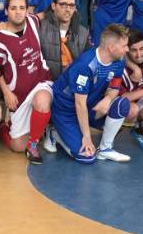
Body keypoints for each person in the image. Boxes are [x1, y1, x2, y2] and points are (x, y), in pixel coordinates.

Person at [50, 24, 132, 164]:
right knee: (87, 157)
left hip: (90, 105)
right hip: (66, 111)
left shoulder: (119, 61)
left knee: (121, 104)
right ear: (111, 47)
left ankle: (105, 149)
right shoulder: (85, 65)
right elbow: (79, 104)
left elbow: (115, 87)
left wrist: (108, 99)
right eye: (124, 46)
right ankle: (55, 133)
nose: (127, 49)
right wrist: (87, 137)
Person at [0, 0, 53, 164]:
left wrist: (64, 6)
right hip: (19, 95)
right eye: (13, 8)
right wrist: (6, 92)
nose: (18, 12)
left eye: (22, 8)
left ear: (27, 10)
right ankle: (4, 127)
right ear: (6, 11)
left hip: (41, 82)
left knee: (42, 101)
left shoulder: (32, 21)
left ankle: (33, 145)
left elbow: (46, 13)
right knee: (17, 146)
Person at [39, 0, 90, 80]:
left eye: (71, 5)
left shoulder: (83, 32)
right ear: (53, 6)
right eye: (63, 5)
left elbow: (87, 63)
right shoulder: (39, 28)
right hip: (46, 83)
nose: (68, 9)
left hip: (73, 82)